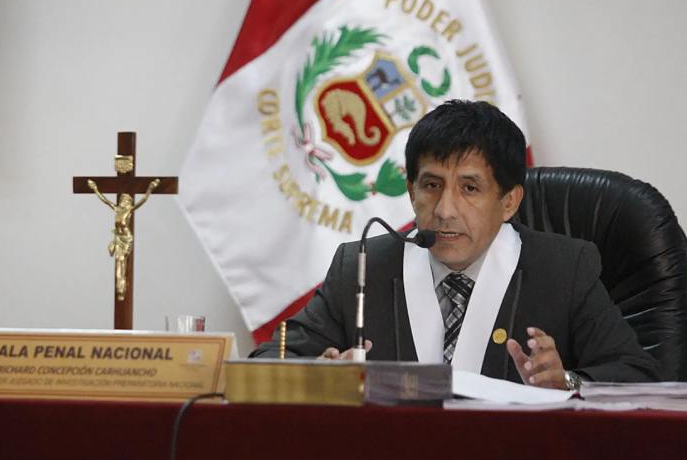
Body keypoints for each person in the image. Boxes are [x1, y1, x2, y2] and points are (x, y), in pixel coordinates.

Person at [250, 100, 660, 389]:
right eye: (431, 185)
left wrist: (567, 380)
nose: (445, 210)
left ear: (509, 201)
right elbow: (266, 361)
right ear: (411, 192)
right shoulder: (362, 267)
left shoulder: (565, 269)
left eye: (469, 188)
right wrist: (316, 375)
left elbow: (641, 377)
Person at [87, 178, 160, 300]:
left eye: (125, 200)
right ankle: (120, 285)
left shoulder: (129, 210)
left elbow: (143, 200)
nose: (123, 201)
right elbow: (105, 200)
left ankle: (122, 285)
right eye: (122, 200)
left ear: (128, 202)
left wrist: (150, 188)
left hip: (126, 239)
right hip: (118, 237)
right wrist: (95, 189)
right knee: (118, 261)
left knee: (122, 261)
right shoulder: (117, 209)